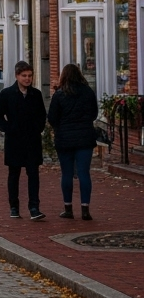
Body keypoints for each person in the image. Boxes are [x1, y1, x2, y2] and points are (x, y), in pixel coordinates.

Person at [0, 60, 47, 220]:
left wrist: (39, 128)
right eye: (24, 76)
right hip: (14, 140)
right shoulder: (7, 94)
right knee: (14, 174)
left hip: (32, 140)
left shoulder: (35, 94)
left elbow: (42, 115)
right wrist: (8, 128)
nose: (27, 79)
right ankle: (14, 207)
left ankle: (34, 207)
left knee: (33, 174)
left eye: (30, 75)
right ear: (17, 76)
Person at [48, 63, 99, 221]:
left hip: (65, 139)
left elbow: (52, 118)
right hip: (85, 138)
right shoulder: (88, 92)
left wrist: (60, 127)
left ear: (63, 76)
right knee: (84, 173)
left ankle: (68, 208)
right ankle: (85, 209)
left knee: (67, 174)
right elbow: (94, 113)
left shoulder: (59, 94)